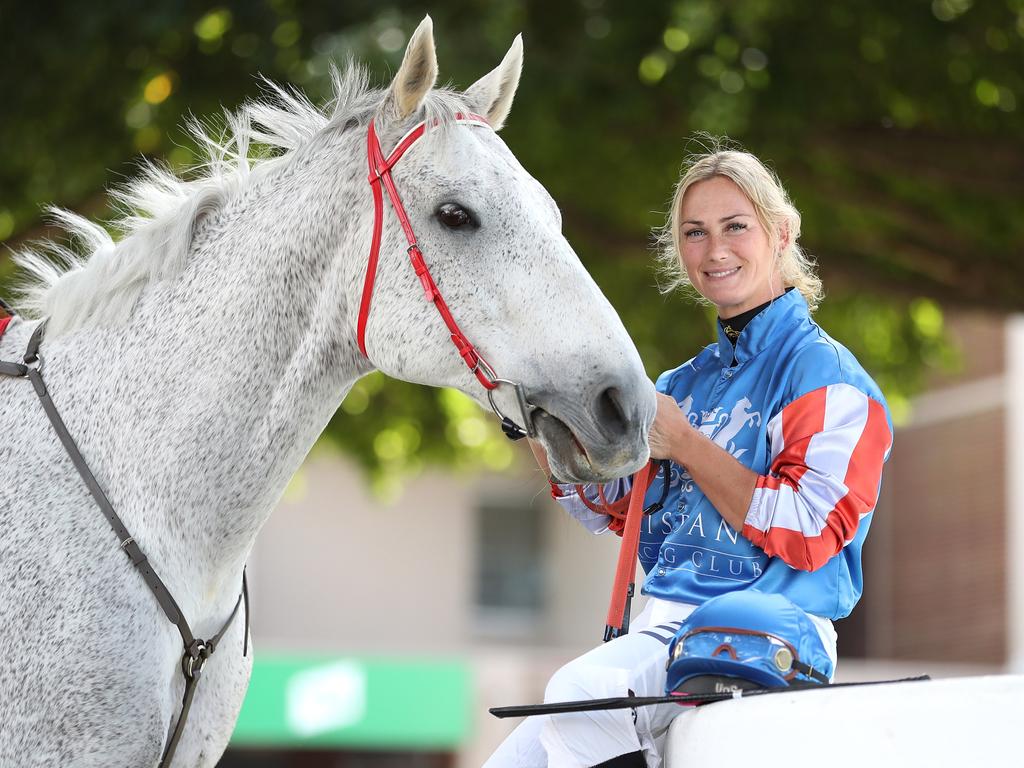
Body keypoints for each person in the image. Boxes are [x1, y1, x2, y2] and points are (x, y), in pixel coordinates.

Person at [484, 145, 894, 768]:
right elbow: (611, 507)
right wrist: (532, 418)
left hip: (771, 628)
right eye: (694, 233)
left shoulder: (829, 377)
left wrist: (689, 446)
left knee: (579, 691)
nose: (715, 250)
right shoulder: (679, 385)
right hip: (663, 631)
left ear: (781, 232)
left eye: (736, 227)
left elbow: (813, 529)